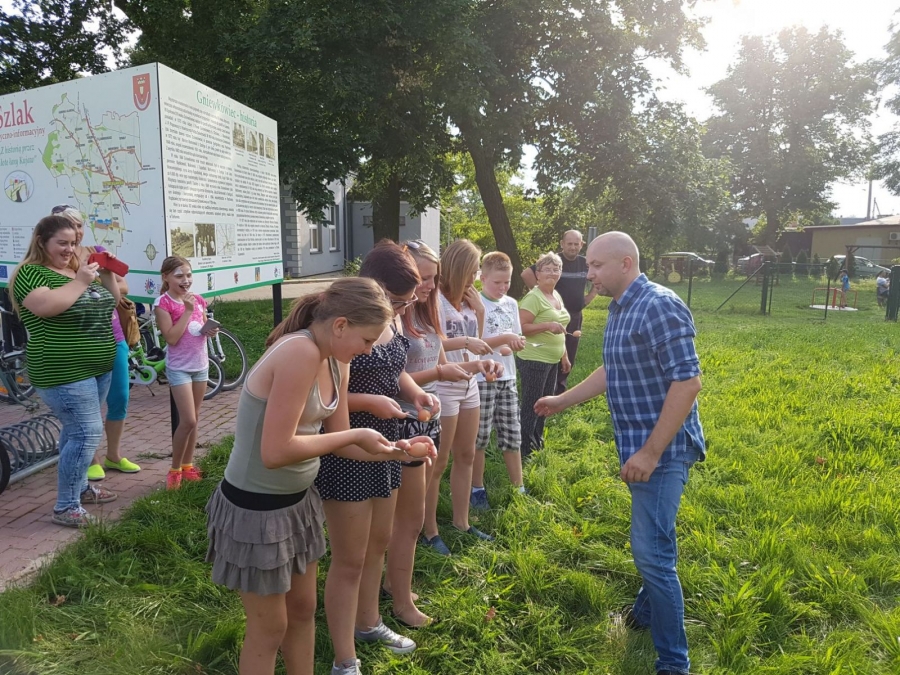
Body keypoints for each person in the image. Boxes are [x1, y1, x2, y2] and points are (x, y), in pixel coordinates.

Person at [205, 278, 434, 675]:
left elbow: (341, 443)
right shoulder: (301, 352)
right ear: (340, 325)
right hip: (255, 511)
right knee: (269, 628)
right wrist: (356, 435)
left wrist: (397, 450)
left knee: (302, 611)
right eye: (367, 340)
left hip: (297, 504)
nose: (369, 350)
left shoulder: (336, 359)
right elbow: (275, 452)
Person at [535, 231, 705, 675]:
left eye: (596, 266)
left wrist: (650, 453)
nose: (588, 274)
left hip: (661, 451)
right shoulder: (621, 307)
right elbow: (614, 367)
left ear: (626, 263)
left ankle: (673, 662)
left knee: (652, 554)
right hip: (639, 447)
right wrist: (562, 399)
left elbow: (688, 383)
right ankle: (646, 612)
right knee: (656, 538)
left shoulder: (658, 305)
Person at [315, 242, 438, 674]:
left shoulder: (389, 317)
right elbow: (322, 397)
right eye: (399, 301)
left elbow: (394, 367)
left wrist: (415, 392)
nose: (404, 309)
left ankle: (368, 622)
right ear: (376, 288)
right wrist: (370, 402)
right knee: (349, 557)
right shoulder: (344, 328)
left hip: (386, 441)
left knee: (379, 540)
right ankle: (344, 655)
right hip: (348, 444)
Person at [10, 215, 121, 527]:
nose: (70, 249)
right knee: (86, 432)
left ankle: (80, 488)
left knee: (76, 431)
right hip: (63, 371)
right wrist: (82, 280)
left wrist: (108, 275)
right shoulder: (30, 273)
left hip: (97, 369)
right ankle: (66, 506)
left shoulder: (74, 270)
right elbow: (46, 307)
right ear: (41, 241)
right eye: (62, 243)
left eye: (73, 243)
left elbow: (110, 303)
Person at [386, 239, 471, 627]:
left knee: (411, 515)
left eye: (433, 278)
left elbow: (437, 358)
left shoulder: (426, 308)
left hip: (425, 416)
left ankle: (394, 583)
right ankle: (399, 599)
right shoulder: (393, 316)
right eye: (423, 277)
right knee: (404, 518)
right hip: (400, 422)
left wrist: (457, 367)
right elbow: (390, 378)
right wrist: (437, 375)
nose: (429, 285)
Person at [51, 205, 141, 481]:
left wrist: (95, 281)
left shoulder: (96, 251)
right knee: (86, 405)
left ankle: (114, 455)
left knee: (120, 398)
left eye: (79, 225)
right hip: (80, 340)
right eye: (68, 226)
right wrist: (85, 283)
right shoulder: (56, 259)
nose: (76, 232)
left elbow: (123, 286)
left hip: (112, 336)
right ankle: (92, 458)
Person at [421, 239, 499, 555]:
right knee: (438, 462)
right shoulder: (435, 300)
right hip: (444, 385)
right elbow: (434, 342)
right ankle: (429, 531)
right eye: (473, 270)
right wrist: (466, 341)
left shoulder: (470, 300)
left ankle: (462, 522)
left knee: (466, 454)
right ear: (458, 268)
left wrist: (479, 312)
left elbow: (477, 344)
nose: (476, 277)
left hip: (470, 384)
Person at [471, 251, 527, 510]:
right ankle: (476, 488)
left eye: (507, 282)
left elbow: (515, 337)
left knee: (512, 432)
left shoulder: (512, 303)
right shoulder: (476, 303)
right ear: (482, 278)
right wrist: (505, 339)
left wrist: (514, 344)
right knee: (480, 436)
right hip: (482, 378)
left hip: (508, 376)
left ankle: (519, 487)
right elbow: (476, 342)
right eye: (497, 282)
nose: (503, 287)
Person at [154, 256, 213, 490]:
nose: (185, 280)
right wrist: (187, 311)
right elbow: (171, 338)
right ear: (166, 277)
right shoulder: (163, 304)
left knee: (194, 419)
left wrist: (210, 330)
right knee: (187, 419)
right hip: (179, 368)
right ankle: (174, 470)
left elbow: (201, 326)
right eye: (179, 276)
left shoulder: (198, 300)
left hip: (200, 365)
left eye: (188, 275)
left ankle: (188, 466)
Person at [521, 230, 597, 393]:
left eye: (576, 244)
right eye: (569, 243)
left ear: (582, 245)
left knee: (568, 352)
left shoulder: (585, 263)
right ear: (562, 244)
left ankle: (558, 391)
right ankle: (545, 388)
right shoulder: (553, 261)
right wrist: (540, 293)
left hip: (572, 315)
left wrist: (589, 297)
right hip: (548, 316)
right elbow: (526, 273)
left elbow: (598, 276)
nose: (573, 247)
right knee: (548, 350)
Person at [517, 252, 570, 459]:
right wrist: (547, 325)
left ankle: (537, 440)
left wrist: (564, 356)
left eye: (556, 269)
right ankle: (524, 448)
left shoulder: (556, 295)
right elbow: (521, 327)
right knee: (533, 404)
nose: (552, 273)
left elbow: (561, 329)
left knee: (545, 403)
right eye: (547, 269)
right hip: (534, 359)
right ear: (537, 274)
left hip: (552, 360)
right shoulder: (534, 297)